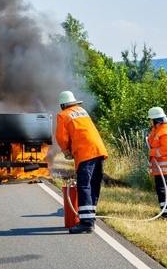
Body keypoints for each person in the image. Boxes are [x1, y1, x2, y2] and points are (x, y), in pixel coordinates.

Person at [55, 91, 108, 234]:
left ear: (62, 105)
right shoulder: (82, 111)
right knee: (94, 184)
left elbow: (61, 137)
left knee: (84, 185)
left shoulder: (63, 115)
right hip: (98, 150)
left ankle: (86, 223)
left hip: (85, 153)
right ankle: (90, 218)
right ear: (74, 102)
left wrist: (66, 151)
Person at [147, 106, 167, 220]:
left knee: (163, 189)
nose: (150, 121)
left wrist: (152, 152)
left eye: (151, 119)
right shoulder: (159, 129)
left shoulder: (165, 131)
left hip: (166, 166)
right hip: (164, 166)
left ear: (156, 120)